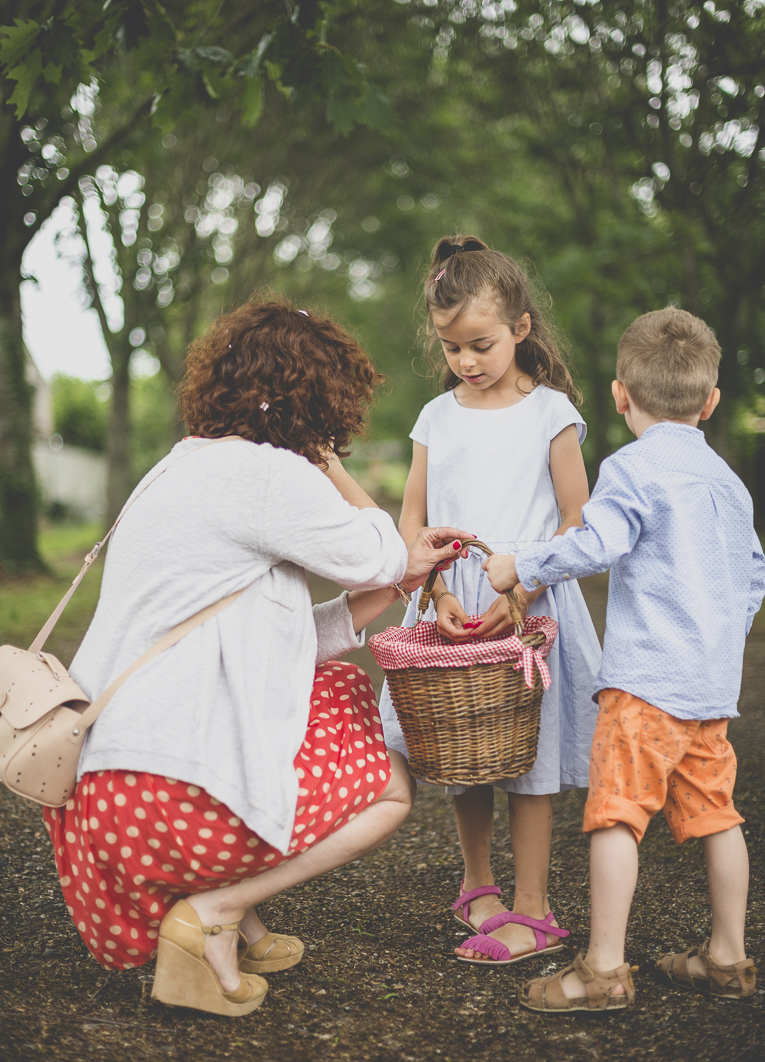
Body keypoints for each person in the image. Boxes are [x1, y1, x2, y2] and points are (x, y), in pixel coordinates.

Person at [43, 298, 471, 1018]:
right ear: (318, 401)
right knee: (391, 785)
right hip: (167, 797)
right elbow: (376, 545)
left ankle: (235, 934)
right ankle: (214, 909)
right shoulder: (272, 475)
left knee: (330, 685)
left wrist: (396, 580)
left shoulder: (178, 465)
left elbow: (284, 637)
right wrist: (333, 468)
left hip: (101, 797)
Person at [483, 307, 765, 1011]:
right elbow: (752, 573)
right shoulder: (727, 483)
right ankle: (728, 956)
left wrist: (522, 562)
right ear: (709, 402)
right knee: (717, 816)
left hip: (643, 685)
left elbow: (596, 543)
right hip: (707, 688)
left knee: (615, 815)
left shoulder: (631, 468)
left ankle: (602, 970)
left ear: (618, 395)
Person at [379, 236, 601, 965]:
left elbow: (577, 519)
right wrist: (437, 585)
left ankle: (532, 909)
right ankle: (478, 883)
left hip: (528, 602)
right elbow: (413, 518)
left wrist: (526, 581)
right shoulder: (435, 417)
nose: (465, 362)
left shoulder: (551, 414)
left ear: (520, 329)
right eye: (451, 349)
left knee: (524, 754)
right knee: (463, 744)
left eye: (479, 344)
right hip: (454, 599)